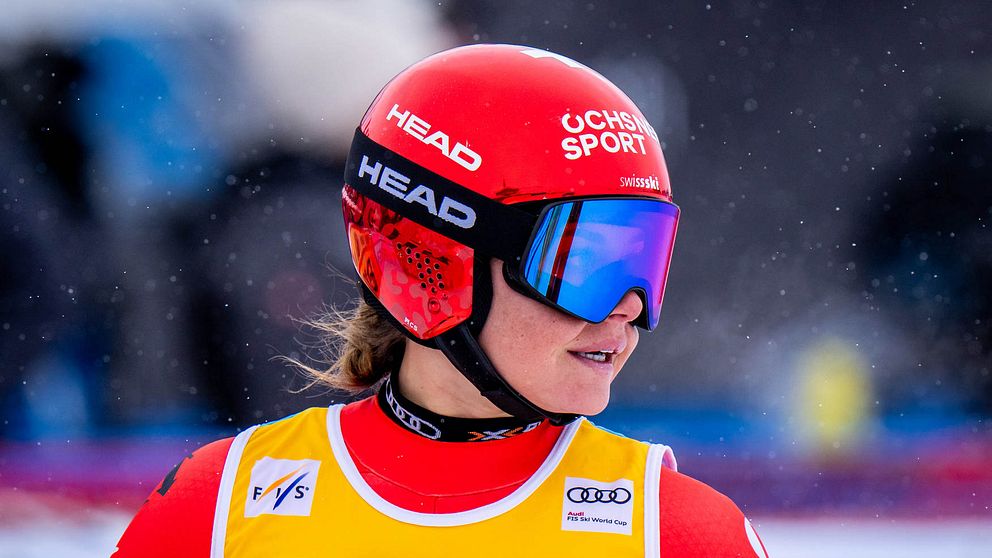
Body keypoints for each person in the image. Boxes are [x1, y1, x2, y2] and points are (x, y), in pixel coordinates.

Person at [114, 44, 769, 558]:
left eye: (644, 264)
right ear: (435, 266)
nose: (629, 308)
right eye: (586, 263)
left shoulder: (677, 534)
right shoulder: (219, 509)